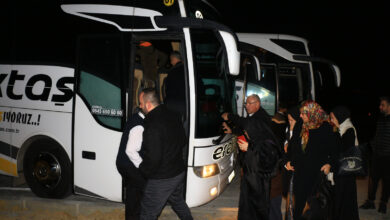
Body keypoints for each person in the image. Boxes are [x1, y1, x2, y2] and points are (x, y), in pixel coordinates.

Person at [222, 94, 280, 220]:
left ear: (257, 104)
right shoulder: (256, 120)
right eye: (245, 103)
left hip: (258, 176)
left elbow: (265, 149)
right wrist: (233, 131)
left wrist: (249, 148)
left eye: (249, 103)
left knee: (256, 206)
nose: (246, 106)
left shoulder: (260, 119)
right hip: (251, 173)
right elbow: (248, 129)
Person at [137, 88, 193, 220]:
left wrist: (143, 170)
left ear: (148, 104)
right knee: (177, 201)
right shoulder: (173, 114)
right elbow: (183, 140)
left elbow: (153, 159)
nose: (139, 106)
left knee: (147, 213)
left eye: (140, 103)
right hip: (178, 171)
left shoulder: (152, 125)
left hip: (162, 177)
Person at [285, 100, 339, 219]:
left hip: (316, 175)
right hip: (300, 172)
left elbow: (335, 152)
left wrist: (329, 165)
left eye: (303, 114)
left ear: (311, 113)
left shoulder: (326, 128)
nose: (300, 116)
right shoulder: (301, 125)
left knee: (314, 207)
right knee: (298, 206)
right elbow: (293, 146)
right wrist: (288, 161)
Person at [360, 96, 390, 213]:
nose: (380, 107)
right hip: (377, 155)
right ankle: (370, 202)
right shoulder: (381, 118)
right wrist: (371, 145)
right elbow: (377, 135)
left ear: (388, 105)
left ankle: (383, 203)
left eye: (382, 105)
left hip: (388, 156)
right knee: (373, 178)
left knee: (387, 181)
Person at [116, 106, 146, 220]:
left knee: (133, 195)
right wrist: (142, 166)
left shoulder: (135, 118)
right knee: (139, 194)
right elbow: (130, 151)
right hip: (129, 165)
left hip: (124, 163)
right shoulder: (139, 125)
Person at [330, 106, 359, 220]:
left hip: (345, 172)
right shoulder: (341, 128)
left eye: (333, 118)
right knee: (339, 199)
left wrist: (336, 133)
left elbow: (343, 150)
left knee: (344, 199)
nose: (332, 120)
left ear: (340, 117)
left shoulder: (348, 130)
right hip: (340, 171)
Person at [164, 51, 186, 117]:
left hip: (175, 105)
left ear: (173, 59)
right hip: (190, 103)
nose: (171, 63)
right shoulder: (189, 69)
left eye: (171, 60)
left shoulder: (172, 72)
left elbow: (168, 90)